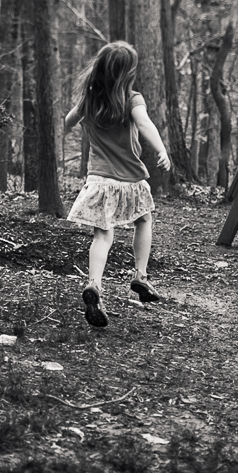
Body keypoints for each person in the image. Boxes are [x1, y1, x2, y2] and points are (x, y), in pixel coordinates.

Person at [63, 40, 172, 329]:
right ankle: (140, 275)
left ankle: (94, 285)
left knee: (102, 236)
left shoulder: (90, 98)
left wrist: (74, 120)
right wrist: (161, 150)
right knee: (144, 220)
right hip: (130, 177)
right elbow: (146, 123)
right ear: (127, 73)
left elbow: (69, 120)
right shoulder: (132, 99)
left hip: (99, 179)